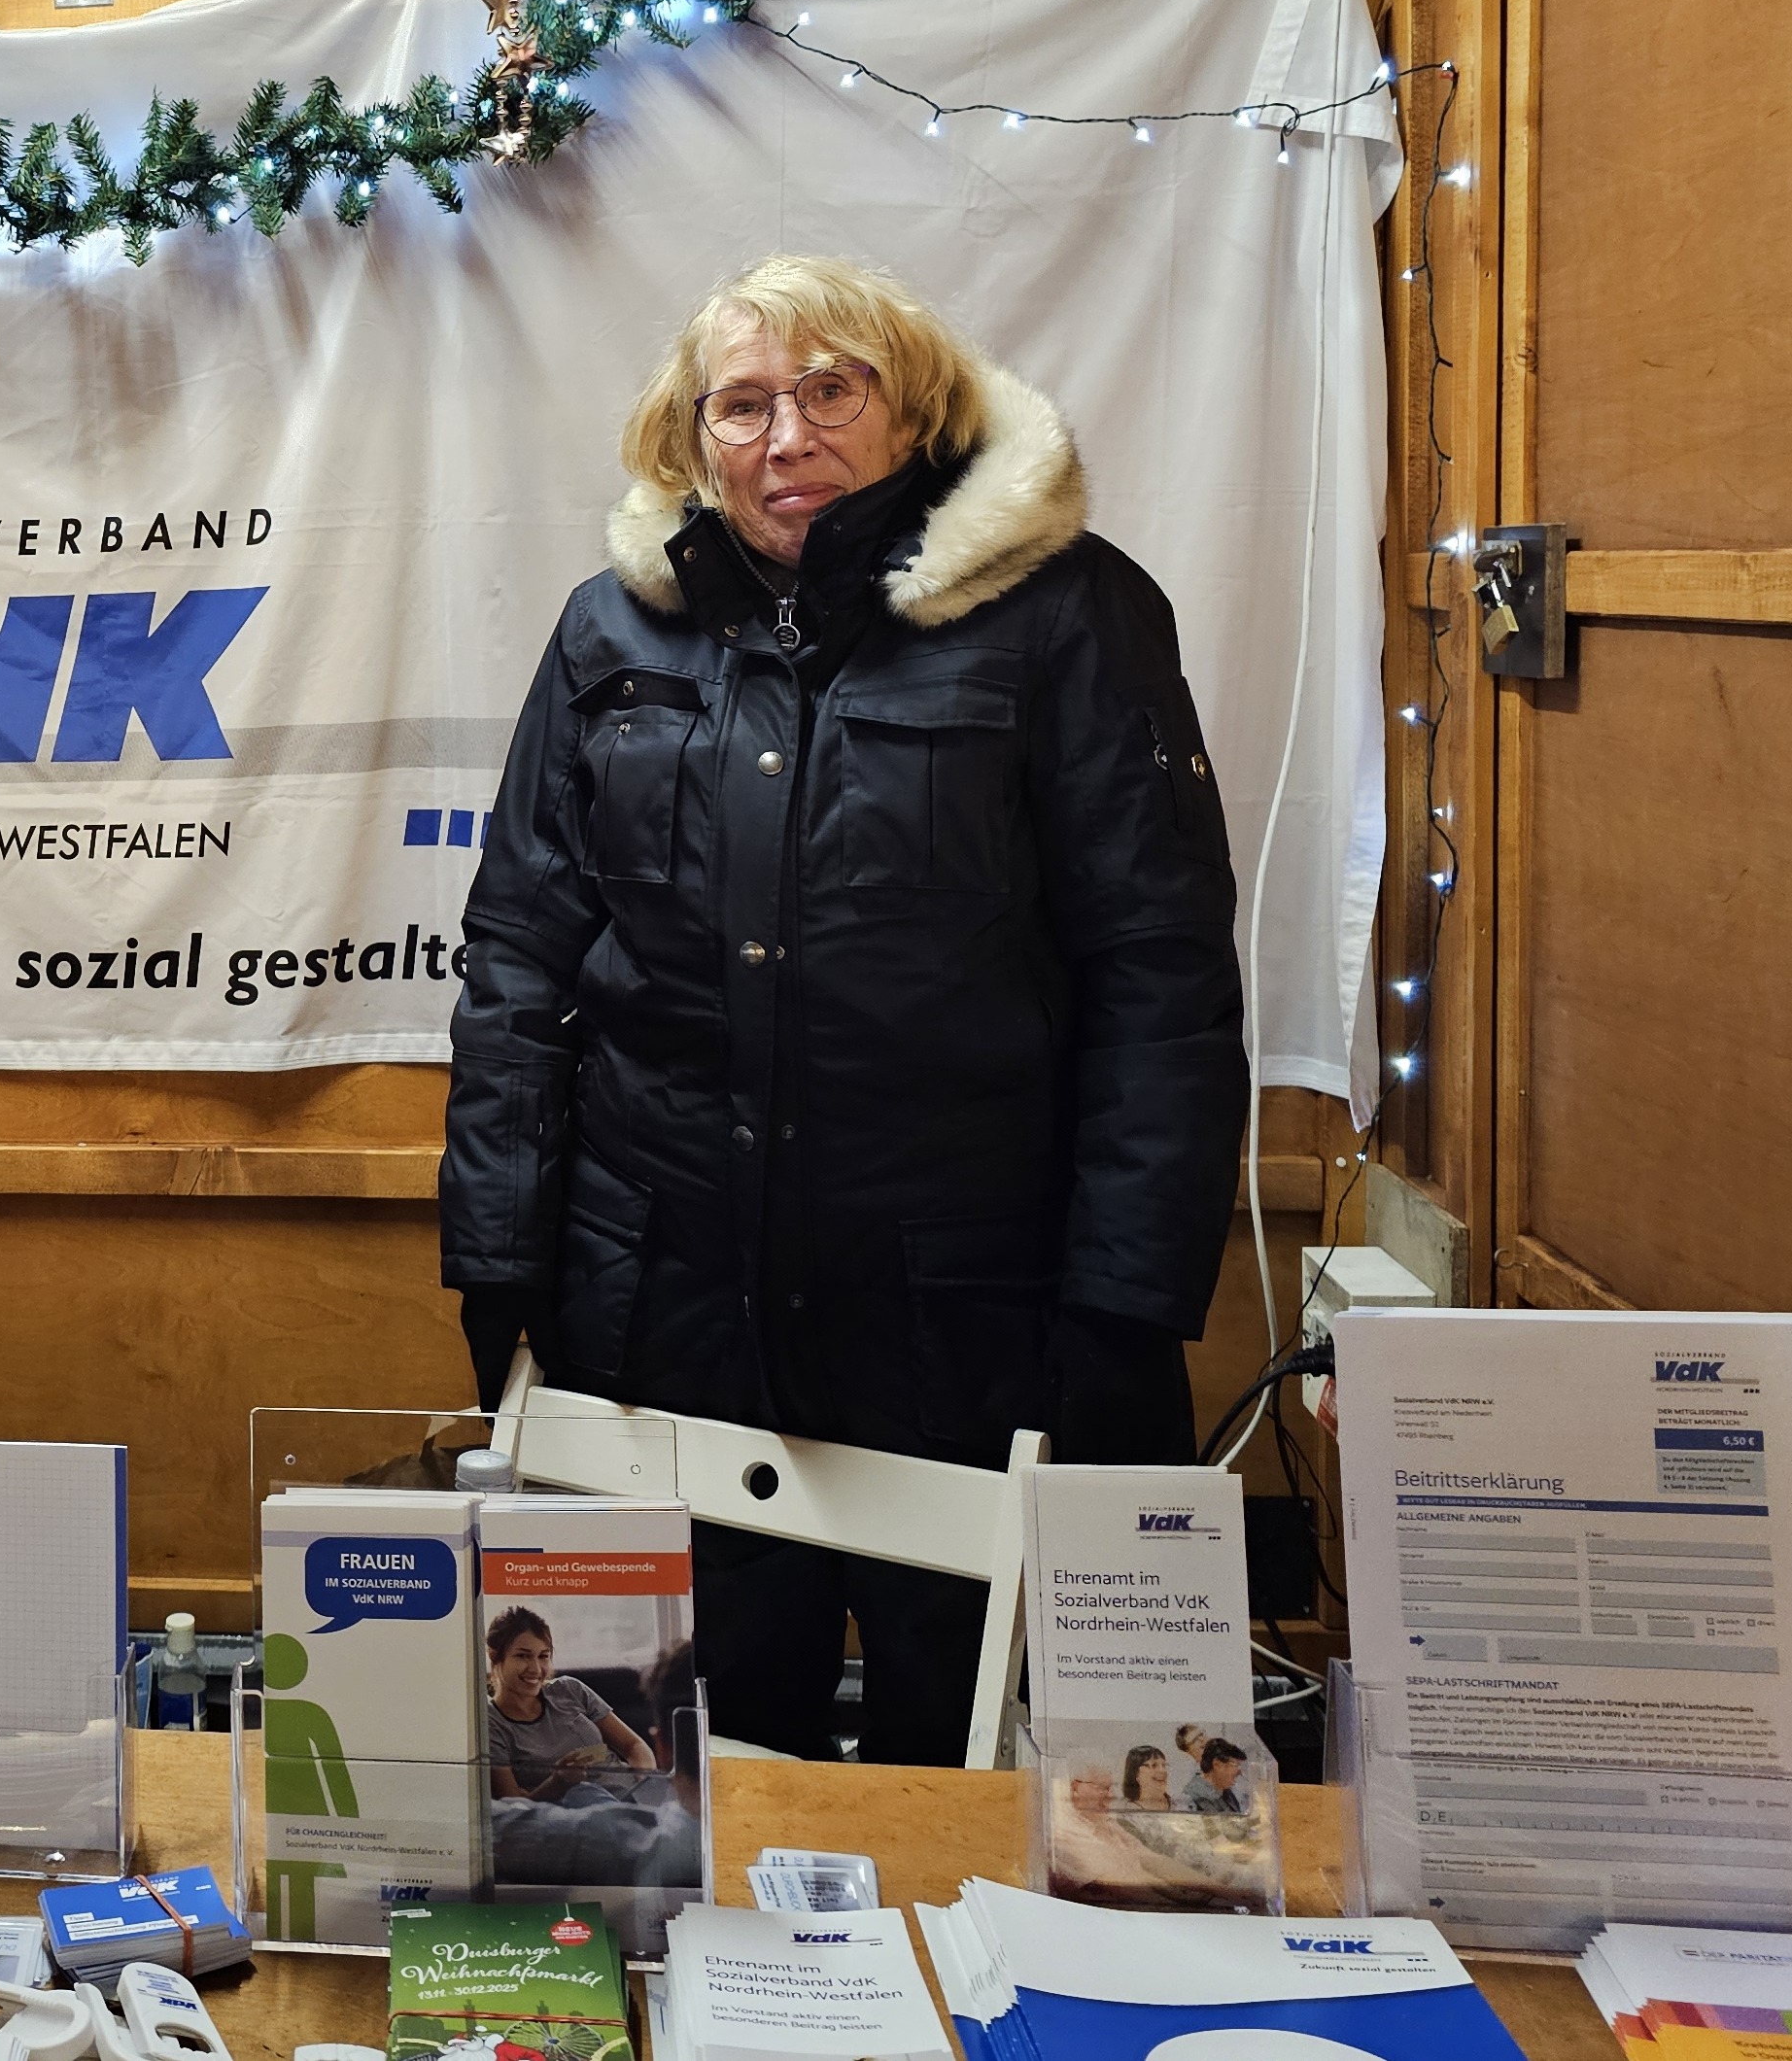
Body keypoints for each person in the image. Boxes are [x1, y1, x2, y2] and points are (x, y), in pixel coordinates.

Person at [436, 253, 1245, 1765]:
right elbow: (521, 958)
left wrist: (1125, 1309)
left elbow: (1163, 975)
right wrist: (497, 1258)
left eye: (831, 389)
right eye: (740, 403)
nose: (786, 435)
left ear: (914, 406)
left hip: (971, 1329)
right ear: (689, 436)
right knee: (678, 1794)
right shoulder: (613, 633)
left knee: (987, 1793)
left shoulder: (1067, 614)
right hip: (660, 1323)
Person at [481, 1603, 656, 1802]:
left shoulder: (569, 1689)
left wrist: (646, 1783)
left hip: (634, 1796)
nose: (536, 1669)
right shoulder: (491, 1722)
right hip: (579, 1813)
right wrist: (558, 1783)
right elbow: (513, 1809)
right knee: (582, 1795)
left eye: (543, 1656)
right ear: (495, 1657)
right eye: (523, 1656)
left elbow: (633, 1745)